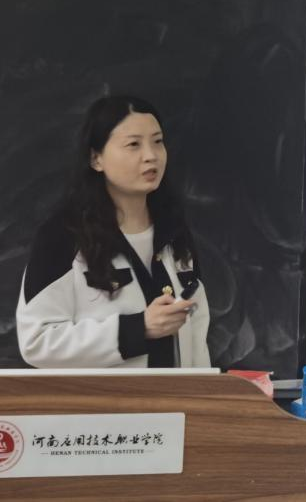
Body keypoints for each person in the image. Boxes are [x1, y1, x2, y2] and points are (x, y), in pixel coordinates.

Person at [16, 95, 211, 368]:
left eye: (158, 141)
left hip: (177, 395)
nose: (151, 156)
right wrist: (137, 329)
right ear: (96, 158)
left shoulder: (173, 229)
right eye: (133, 144)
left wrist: (201, 391)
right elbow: (36, 341)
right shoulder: (64, 235)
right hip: (105, 397)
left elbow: (197, 330)